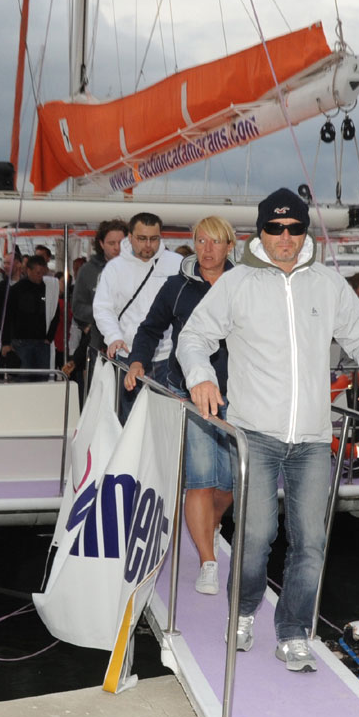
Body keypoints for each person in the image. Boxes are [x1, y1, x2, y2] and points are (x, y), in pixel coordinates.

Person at [178, 188, 359, 673]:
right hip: (255, 434)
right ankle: (244, 611)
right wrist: (201, 376)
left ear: (305, 233)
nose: (285, 238)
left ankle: (294, 631)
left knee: (310, 543)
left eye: (294, 228)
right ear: (260, 233)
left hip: (314, 439)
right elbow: (194, 336)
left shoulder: (329, 286)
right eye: (275, 228)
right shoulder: (237, 285)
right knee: (255, 537)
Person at [124, 216, 236, 595]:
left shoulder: (246, 286)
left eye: (216, 242)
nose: (207, 249)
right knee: (201, 477)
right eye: (201, 240)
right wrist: (138, 360)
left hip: (238, 396)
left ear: (229, 247)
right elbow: (150, 329)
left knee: (230, 484)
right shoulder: (176, 287)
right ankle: (208, 560)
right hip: (189, 395)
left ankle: (211, 525)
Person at [93, 212, 182, 421]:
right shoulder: (114, 268)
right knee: (130, 421)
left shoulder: (176, 264)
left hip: (168, 358)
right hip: (128, 355)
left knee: (165, 422)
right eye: (142, 238)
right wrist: (113, 337)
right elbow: (103, 308)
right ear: (130, 237)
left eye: (154, 238)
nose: (148, 245)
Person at [71, 218, 128, 395]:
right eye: (111, 243)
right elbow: (78, 307)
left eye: (121, 242)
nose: (117, 247)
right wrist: (101, 316)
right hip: (99, 345)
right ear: (101, 244)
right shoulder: (88, 271)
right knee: (99, 392)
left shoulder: (138, 269)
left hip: (131, 344)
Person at [1, 254, 58, 378]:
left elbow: (55, 313)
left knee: (43, 379)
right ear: (28, 270)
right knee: (23, 379)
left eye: (43, 273)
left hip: (43, 343)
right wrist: (6, 343)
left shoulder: (48, 289)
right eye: (37, 273)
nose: (40, 276)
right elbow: (7, 317)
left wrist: (49, 337)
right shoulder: (16, 290)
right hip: (21, 343)